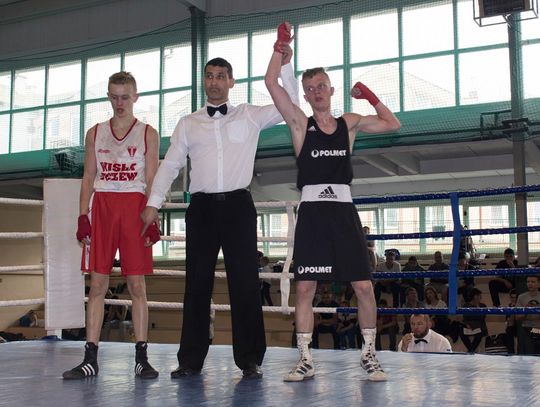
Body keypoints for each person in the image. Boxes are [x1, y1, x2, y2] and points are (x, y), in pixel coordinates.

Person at [140, 28, 298, 380]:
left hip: (239, 207)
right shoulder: (188, 123)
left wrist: (286, 65)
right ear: (205, 81)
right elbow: (170, 165)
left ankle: (250, 360)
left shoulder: (250, 114)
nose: (214, 82)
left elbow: (291, 105)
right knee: (197, 284)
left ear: (231, 82)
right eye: (209, 76)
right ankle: (190, 360)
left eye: (220, 76)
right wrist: (153, 203)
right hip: (202, 210)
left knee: (245, 283)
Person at [265, 22, 401, 382]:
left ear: (331, 89)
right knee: (305, 288)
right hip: (312, 213)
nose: (316, 92)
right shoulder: (299, 124)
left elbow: (393, 124)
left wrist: (370, 95)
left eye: (321, 86)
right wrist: (280, 48)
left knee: (363, 286)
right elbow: (271, 83)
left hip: (343, 212)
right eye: (310, 89)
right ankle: (305, 359)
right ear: (306, 96)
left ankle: (369, 355)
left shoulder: (349, 123)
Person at [63, 71, 161, 380]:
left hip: (135, 208)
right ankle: (90, 358)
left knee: (137, 285)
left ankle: (141, 358)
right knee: (97, 285)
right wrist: (82, 215)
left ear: (135, 97)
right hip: (103, 206)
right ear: (108, 97)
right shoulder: (95, 133)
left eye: (125, 97)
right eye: (114, 97)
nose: (120, 103)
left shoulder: (148, 133)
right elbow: (88, 176)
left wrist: (154, 214)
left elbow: (152, 178)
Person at [516, 275, 540, 354]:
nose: (530, 284)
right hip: (527, 329)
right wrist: (526, 310)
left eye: (533, 282)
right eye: (528, 282)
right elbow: (517, 317)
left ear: (539, 284)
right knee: (529, 354)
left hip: (539, 328)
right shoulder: (521, 297)